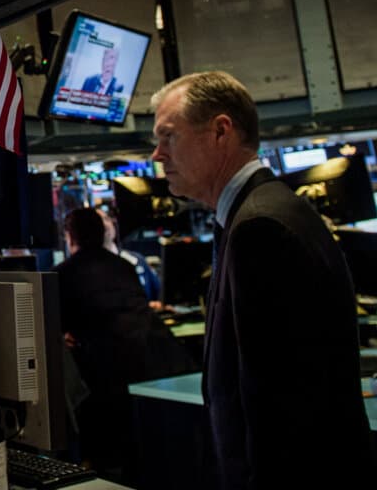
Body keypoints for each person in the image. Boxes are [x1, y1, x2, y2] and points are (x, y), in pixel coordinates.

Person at [150, 71, 374, 487]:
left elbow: (277, 407)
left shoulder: (261, 228)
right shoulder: (262, 210)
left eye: (168, 137)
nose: (156, 155)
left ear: (220, 131)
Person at [56, 207, 194, 481]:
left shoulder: (62, 274)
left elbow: (58, 327)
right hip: (153, 370)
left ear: (70, 237)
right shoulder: (124, 266)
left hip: (105, 383)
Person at [98, 207, 162, 305]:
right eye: (98, 221)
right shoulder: (88, 270)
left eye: (106, 219)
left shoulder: (136, 259)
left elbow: (160, 295)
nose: (105, 224)